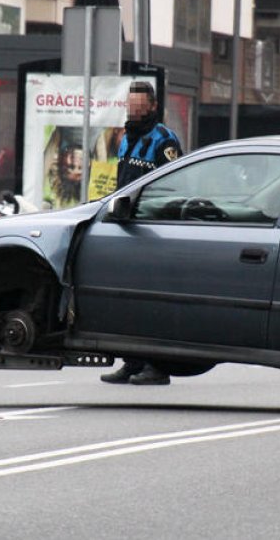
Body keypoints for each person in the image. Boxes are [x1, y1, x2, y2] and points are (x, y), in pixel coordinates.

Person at [100, 81, 183, 386]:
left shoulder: (164, 140)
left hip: (152, 230)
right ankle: (132, 362)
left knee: (151, 301)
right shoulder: (126, 138)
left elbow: (174, 185)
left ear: (152, 106)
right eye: (130, 105)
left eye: (139, 106)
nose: (134, 111)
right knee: (126, 300)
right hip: (126, 227)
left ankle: (157, 366)